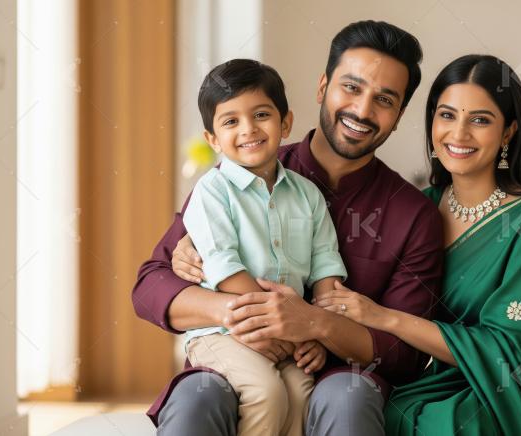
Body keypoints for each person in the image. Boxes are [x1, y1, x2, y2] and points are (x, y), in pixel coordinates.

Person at [132, 21, 443, 436]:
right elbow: (151, 286)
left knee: (347, 398)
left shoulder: (413, 214)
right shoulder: (236, 173)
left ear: (399, 115)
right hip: (236, 349)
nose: (363, 110)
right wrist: (246, 316)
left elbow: (405, 353)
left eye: (384, 99)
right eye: (351, 88)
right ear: (322, 87)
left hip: (338, 371)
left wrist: (314, 325)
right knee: (197, 395)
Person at [310, 55, 521, 435]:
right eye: (446, 115)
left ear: (508, 132)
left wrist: (385, 317)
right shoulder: (417, 207)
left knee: (451, 425)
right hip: (421, 382)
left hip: (503, 390)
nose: (458, 134)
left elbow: (516, 349)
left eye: (480, 120)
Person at [182, 58, 348, 436]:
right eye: (230, 121)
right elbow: (223, 268)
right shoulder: (211, 192)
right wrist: (277, 325)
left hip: (292, 332)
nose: (248, 129)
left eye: (261, 114)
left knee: (303, 391)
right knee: (266, 392)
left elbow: (325, 268)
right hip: (222, 333)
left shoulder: (307, 194)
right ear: (212, 138)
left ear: (285, 122)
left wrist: (315, 332)